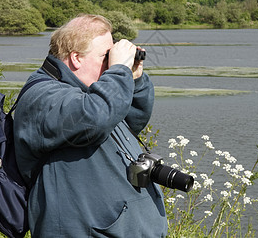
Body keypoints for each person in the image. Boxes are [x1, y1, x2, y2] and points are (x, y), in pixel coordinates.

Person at [13, 14, 168, 237]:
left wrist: (133, 79)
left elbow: (131, 120)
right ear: (76, 58)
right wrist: (118, 72)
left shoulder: (86, 90)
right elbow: (95, 118)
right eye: (106, 56)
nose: (110, 64)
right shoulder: (43, 97)